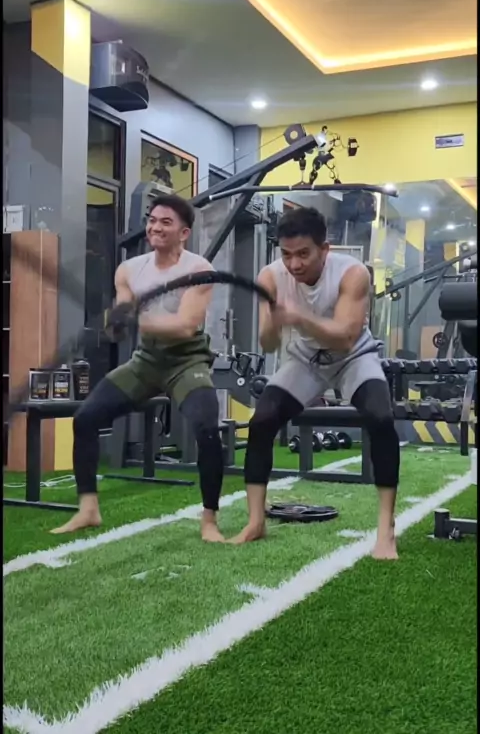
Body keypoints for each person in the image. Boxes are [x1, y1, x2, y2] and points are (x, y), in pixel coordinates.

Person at [52, 193, 226, 543]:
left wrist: (136, 319)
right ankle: (88, 509)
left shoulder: (198, 270)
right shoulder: (129, 270)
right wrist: (115, 322)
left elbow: (184, 326)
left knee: (207, 427)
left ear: (184, 233)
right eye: (152, 220)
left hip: (186, 360)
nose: (155, 227)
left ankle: (209, 520)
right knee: (85, 418)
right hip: (146, 360)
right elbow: (123, 314)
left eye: (166, 222)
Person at [231, 206, 400, 560]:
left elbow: (345, 337)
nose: (294, 264)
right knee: (262, 421)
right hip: (305, 359)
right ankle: (256, 522)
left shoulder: (352, 273)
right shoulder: (270, 276)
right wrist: (272, 320)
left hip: (354, 357)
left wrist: (298, 318)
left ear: (325, 249)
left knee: (381, 418)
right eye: (286, 254)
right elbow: (268, 344)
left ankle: (386, 531)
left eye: (303, 254)